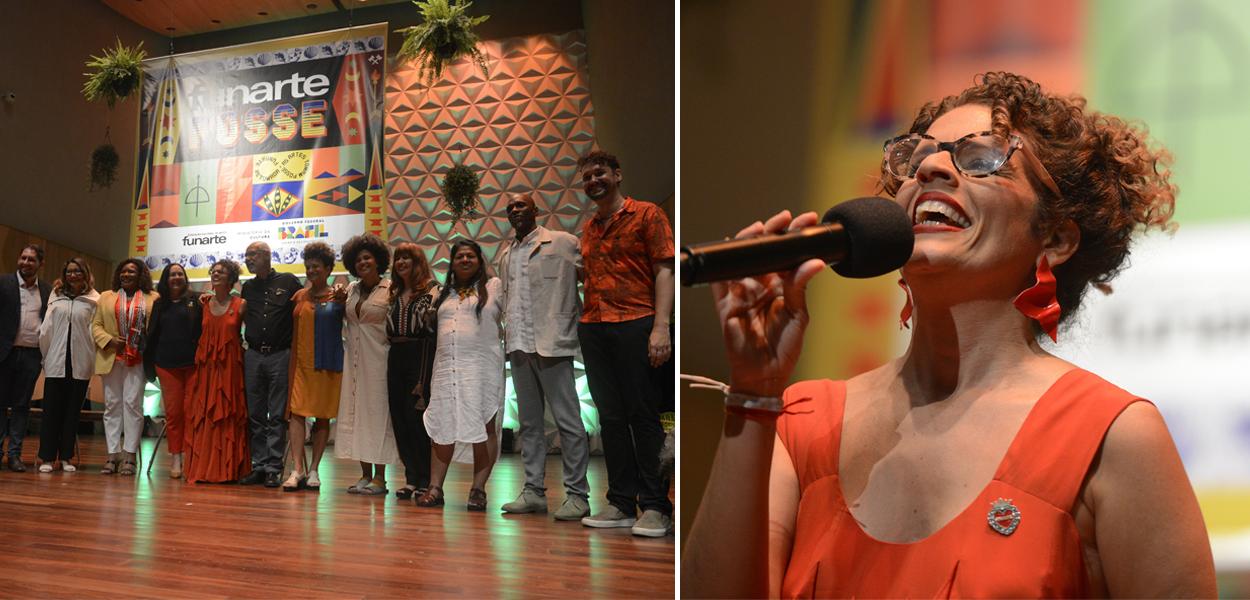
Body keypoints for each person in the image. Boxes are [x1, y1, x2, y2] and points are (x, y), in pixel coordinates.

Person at [682, 72, 1217, 598]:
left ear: (1054, 237)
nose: (932, 167)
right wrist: (753, 388)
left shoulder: (1114, 437)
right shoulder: (802, 422)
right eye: (917, 159)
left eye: (982, 158)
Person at [575, 151, 675, 537]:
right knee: (610, 419)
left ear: (617, 175)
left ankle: (655, 506)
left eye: (599, 173)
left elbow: (664, 269)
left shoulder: (647, 214)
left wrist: (660, 327)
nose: (593, 181)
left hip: (636, 322)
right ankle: (620, 502)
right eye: (586, 177)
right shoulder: (589, 228)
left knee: (643, 416)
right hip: (595, 326)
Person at [495, 192, 591, 520]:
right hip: (519, 346)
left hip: (554, 343)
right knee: (529, 424)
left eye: (521, 205)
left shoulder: (564, 242)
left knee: (569, 421)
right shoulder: (507, 255)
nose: (515, 210)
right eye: (510, 208)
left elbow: (592, 280)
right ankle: (533, 491)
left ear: (536, 210)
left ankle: (578, 494)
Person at [415, 240, 504, 512]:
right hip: (445, 368)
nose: (465, 260)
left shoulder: (494, 287)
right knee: (442, 426)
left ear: (479, 260)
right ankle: (435, 487)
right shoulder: (444, 293)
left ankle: (478, 490)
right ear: (452, 264)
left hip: (481, 368)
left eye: (470, 256)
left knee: (484, 424)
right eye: (459, 257)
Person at [334, 233, 397, 496]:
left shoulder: (391, 288)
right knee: (356, 414)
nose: (363, 262)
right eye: (358, 259)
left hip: (379, 360)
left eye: (367, 257)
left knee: (378, 416)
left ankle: (381, 478)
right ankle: (364, 474)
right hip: (354, 360)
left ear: (378, 260)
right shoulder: (351, 290)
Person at [282, 242, 344, 492]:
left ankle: (315, 469)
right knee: (296, 413)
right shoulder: (298, 296)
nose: (311, 271)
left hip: (328, 365)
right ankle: (297, 469)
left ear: (328, 268)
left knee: (322, 417)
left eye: (316, 266)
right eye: (308, 267)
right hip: (301, 364)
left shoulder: (340, 296)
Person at [239, 242, 302, 487]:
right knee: (255, 414)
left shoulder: (288, 281)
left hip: (280, 355)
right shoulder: (248, 287)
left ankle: (274, 467)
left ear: (267, 256)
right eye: (246, 256)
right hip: (253, 355)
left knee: (276, 414)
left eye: (252, 254)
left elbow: (301, 312)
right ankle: (259, 465)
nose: (248, 259)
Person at [183, 260, 250, 484]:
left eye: (221, 272)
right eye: (214, 271)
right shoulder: (203, 303)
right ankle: (203, 469)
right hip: (206, 370)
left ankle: (228, 470)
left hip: (230, 368)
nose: (216, 274)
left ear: (231, 278)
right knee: (205, 416)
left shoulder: (241, 304)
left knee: (228, 414)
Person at [92, 258, 159, 476]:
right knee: (112, 406)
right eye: (123, 271)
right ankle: (113, 455)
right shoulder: (105, 297)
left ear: (141, 275)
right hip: (111, 357)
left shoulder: (153, 298)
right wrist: (110, 341)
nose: (126, 274)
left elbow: (157, 329)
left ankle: (130, 455)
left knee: (133, 405)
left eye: (131, 271)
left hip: (137, 359)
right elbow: (95, 326)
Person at [385, 242, 438, 500]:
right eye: (398, 259)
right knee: (399, 418)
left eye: (407, 258)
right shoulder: (394, 293)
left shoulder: (432, 289)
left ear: (418, 262)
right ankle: (410, 477)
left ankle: (426, 479)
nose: (402, 263)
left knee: (417, 418)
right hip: (395, 355)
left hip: (420, 355)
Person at [36, 258, 99, 472]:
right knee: (51, 410)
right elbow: (46, 328)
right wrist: (46, 357)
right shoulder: (56, 295)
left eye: (77, 271)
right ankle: (46, 458)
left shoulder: (94, 299)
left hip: (80, 363)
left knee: (72, 412)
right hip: (55, 360)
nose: (73, 275)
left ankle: (65, 457)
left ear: (85, 273)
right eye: (69, 271)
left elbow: (94, 331)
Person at [143, 263, 202, 479]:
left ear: (185, 277)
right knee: (175, 414)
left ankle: (192, 457)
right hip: (166, 365)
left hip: (193, 365)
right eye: (172, 274)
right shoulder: (160, 304)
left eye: (180, 274)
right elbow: (152, 335)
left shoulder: (196, 301)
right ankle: (176, 456)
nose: (176, 277)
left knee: (192, 412)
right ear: (166, 279)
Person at [0, 244, 52, 472]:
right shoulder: (3, 284)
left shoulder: (48, 291)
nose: (25, 262)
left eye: (31, 260)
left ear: (40, 264)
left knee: (22, 407)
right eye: (23, 258)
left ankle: (15, 455)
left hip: (31, 356)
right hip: (5, 354)